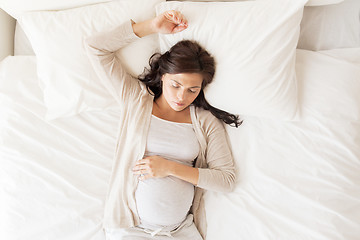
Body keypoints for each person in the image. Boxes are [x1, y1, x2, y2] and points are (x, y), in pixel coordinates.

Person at [84, 10, 242, 240]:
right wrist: (151, 27)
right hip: (131, 229)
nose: (181, 96)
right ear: (163, 76)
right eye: (175, 85)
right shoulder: (135, 100)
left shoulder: (205, 121)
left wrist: (169, 168)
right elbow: (95, 47)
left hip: (181, 232)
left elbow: (226, 180)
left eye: (192, 90)